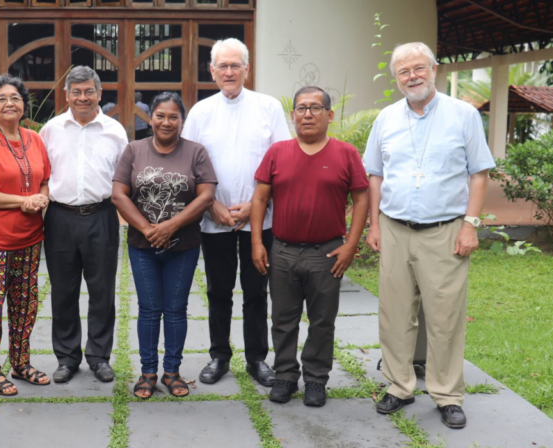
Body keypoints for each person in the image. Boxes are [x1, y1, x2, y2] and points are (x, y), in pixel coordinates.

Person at [363, 42, 495, 429]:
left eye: (418, 68)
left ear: (434, 69)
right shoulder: (386, 118)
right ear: (396, 78)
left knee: (445, 317)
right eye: (403, 72)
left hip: (445, 231)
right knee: (394, 314)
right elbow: (375, 175)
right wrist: (374, 225)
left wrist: (470, 224)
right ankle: (399, 386)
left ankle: (447, 394)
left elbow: (479, 174)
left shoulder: (463, 115)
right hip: (394, 228)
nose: (412, 77)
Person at [181, 38, 291, 387]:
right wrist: (210, 204)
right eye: (222, 66)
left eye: (235, 65)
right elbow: (188, 163)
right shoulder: (200, 112)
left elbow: (282, 161)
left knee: (257, 291)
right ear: (212, 71)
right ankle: (219, 355)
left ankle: (257, 358)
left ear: (247, 69)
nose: (229, 72)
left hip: (260, 220)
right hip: (215, 220)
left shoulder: (268, 107)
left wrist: (257, 203)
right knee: (218, 291)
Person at [251, 86, 369, 406]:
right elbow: (260, 198)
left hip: (326, 253)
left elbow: (361, 199)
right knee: (282, 320)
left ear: (329, 115)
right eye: (301, 108)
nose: (307, 114)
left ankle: (316, 379)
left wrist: (351, 245)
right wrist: (257, 242)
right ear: (293, 116)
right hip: (282, 250)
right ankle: (286, 375)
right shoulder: (277, 152)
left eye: (315, 108)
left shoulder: (346, 153)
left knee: (322, 321)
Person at [112, 92, 217, 399]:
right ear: (151, 118)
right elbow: (119, 194)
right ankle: (148, 372)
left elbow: (206, 195)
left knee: (175, 310)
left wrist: (171, 226)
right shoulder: (134, 150)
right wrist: (148, 229)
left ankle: (172, 371)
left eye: (173, 117)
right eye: (160, 116)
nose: (166, 122)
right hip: (142, 246)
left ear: (182, 121)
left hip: (183, 246)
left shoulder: (196, 152)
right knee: (148, 310)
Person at [40, 66, 128, 384]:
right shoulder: (50, 130)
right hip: (60, 217)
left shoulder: (115, 132)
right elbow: (41, 175)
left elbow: (124, 178)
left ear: (99, 94)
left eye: (89, 91)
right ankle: (67, 358)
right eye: (76, 92)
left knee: (102, 291)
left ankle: (99, 357)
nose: (82, 97)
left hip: (101, 217)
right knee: (63, 291)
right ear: (66, 95)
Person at [0, 75, 52, 395]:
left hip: (30, 238)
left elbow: (44, 179)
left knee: (25, 303)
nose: (9, 103)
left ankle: (20, 362)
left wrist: (41, 198)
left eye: (15, 98)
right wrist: (22, 201)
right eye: (1, 99)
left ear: (24, 105)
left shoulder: (35, 139)